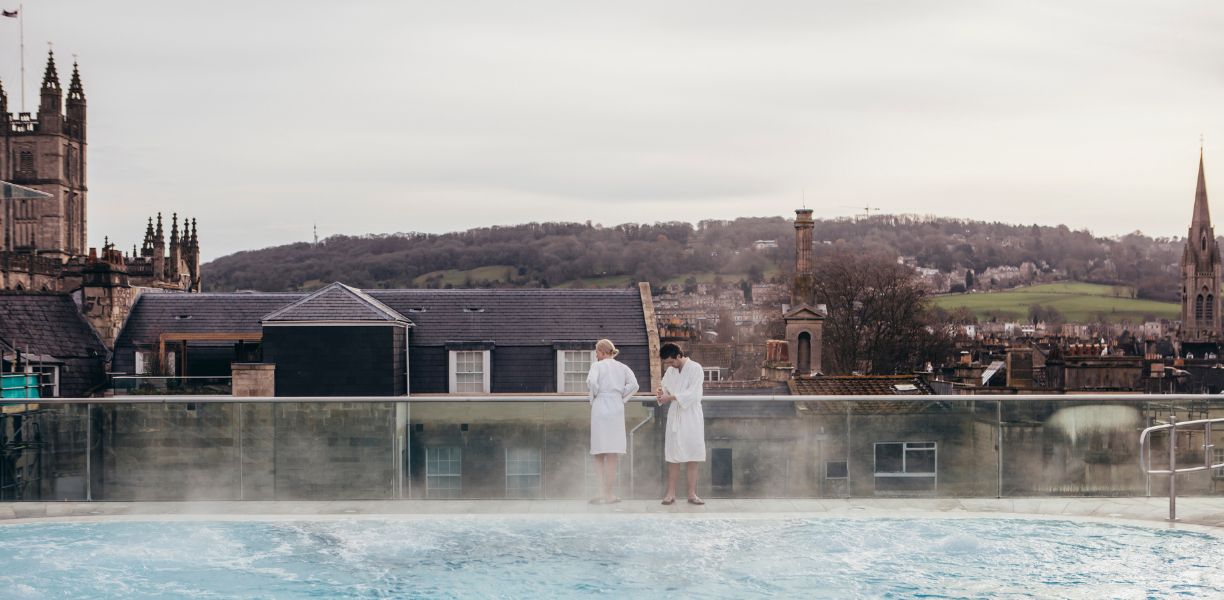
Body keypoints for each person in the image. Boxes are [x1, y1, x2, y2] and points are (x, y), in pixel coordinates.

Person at [586, 338, 640, 504]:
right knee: (612, 454)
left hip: (601, 406)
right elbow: (634, 385)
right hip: (616, 407)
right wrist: (620, 395)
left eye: (597, 353)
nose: (597, 357)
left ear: (602, 352)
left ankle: (601, 492)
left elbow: (591, 382)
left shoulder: (597, 366)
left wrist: (595, 396)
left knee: (599, 452)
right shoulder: (622, 367)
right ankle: (609, 494)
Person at [656, 342, 705, 505]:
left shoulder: (696, 368)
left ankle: (692, 494)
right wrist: (661, 393)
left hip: (691, 415)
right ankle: (670, 493)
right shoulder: (670, 371)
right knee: (673, 456)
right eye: (666, 363)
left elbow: (694, 393)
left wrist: (670, 397)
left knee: (693, 455)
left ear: (678, 355)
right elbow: (665, 388)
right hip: (675, 416)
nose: (669, 366)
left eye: (671, 361)